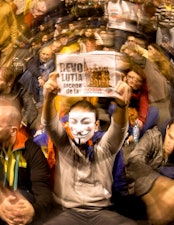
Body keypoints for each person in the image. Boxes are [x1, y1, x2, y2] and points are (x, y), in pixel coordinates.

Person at [42, 72, 136, 225]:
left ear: (96, 125)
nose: (79, 128)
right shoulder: (65, 145)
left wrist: (122, 105)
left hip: (101, 212)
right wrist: (49, 98)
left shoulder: (104, 148)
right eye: (74, 122)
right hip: (69, 213)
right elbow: (50, 124)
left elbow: (119, 129)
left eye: (85, 122)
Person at [0, 100, 53, 225]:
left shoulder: (32, 151)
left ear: (13, 130)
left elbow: (43, 192)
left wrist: (33, 210)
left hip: (24, 204)